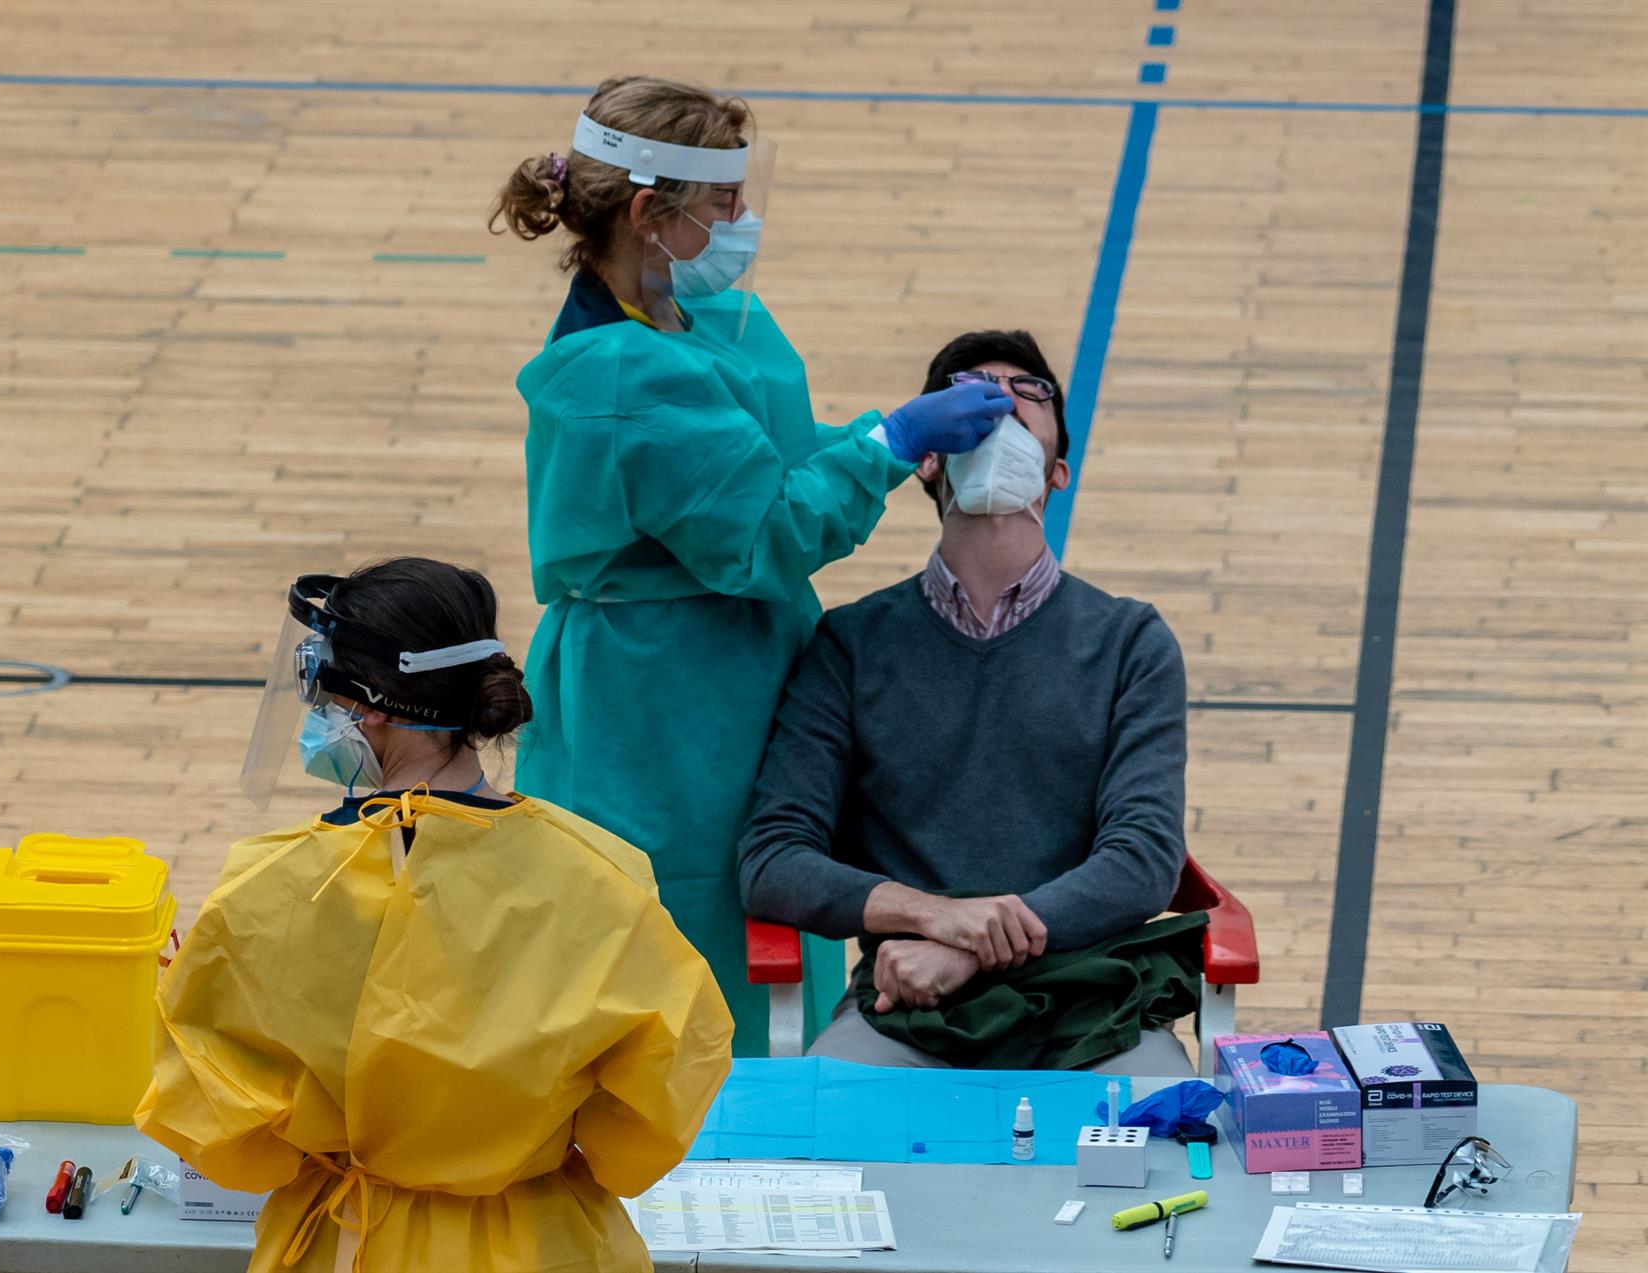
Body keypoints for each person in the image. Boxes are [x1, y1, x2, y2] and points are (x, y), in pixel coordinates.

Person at [492, 75, 1019, 1055]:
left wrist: (875, 443)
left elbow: (758, 456)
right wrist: (890, 445)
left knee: (771, 884)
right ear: (651, 214)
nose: (744, 222)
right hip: (662, 711)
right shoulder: (622, 373)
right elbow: (761, 530)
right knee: (690, 931)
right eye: (724, 206)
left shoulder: (689, 319)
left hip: (736, 671)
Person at [138, 558, 734, 1273]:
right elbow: (663, 1095)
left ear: (374, 706)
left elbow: (217, 1126)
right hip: (545, 1244)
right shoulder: (600, 873)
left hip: (347, 1241)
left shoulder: (274, 886)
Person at [737, 330, 1197, 1075]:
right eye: (971, 390)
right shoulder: (849, 644)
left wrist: (969, 950)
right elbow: (773, 859)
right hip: (905, 1006)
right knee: (831, 1158)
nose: (1000, 399)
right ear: (927, 457)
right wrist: (934, 918)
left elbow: (1143, 859)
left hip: (1093, 1007)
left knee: (1165, 1157)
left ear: (1058, 473)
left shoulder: (1130, 641)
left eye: (1027, 393)